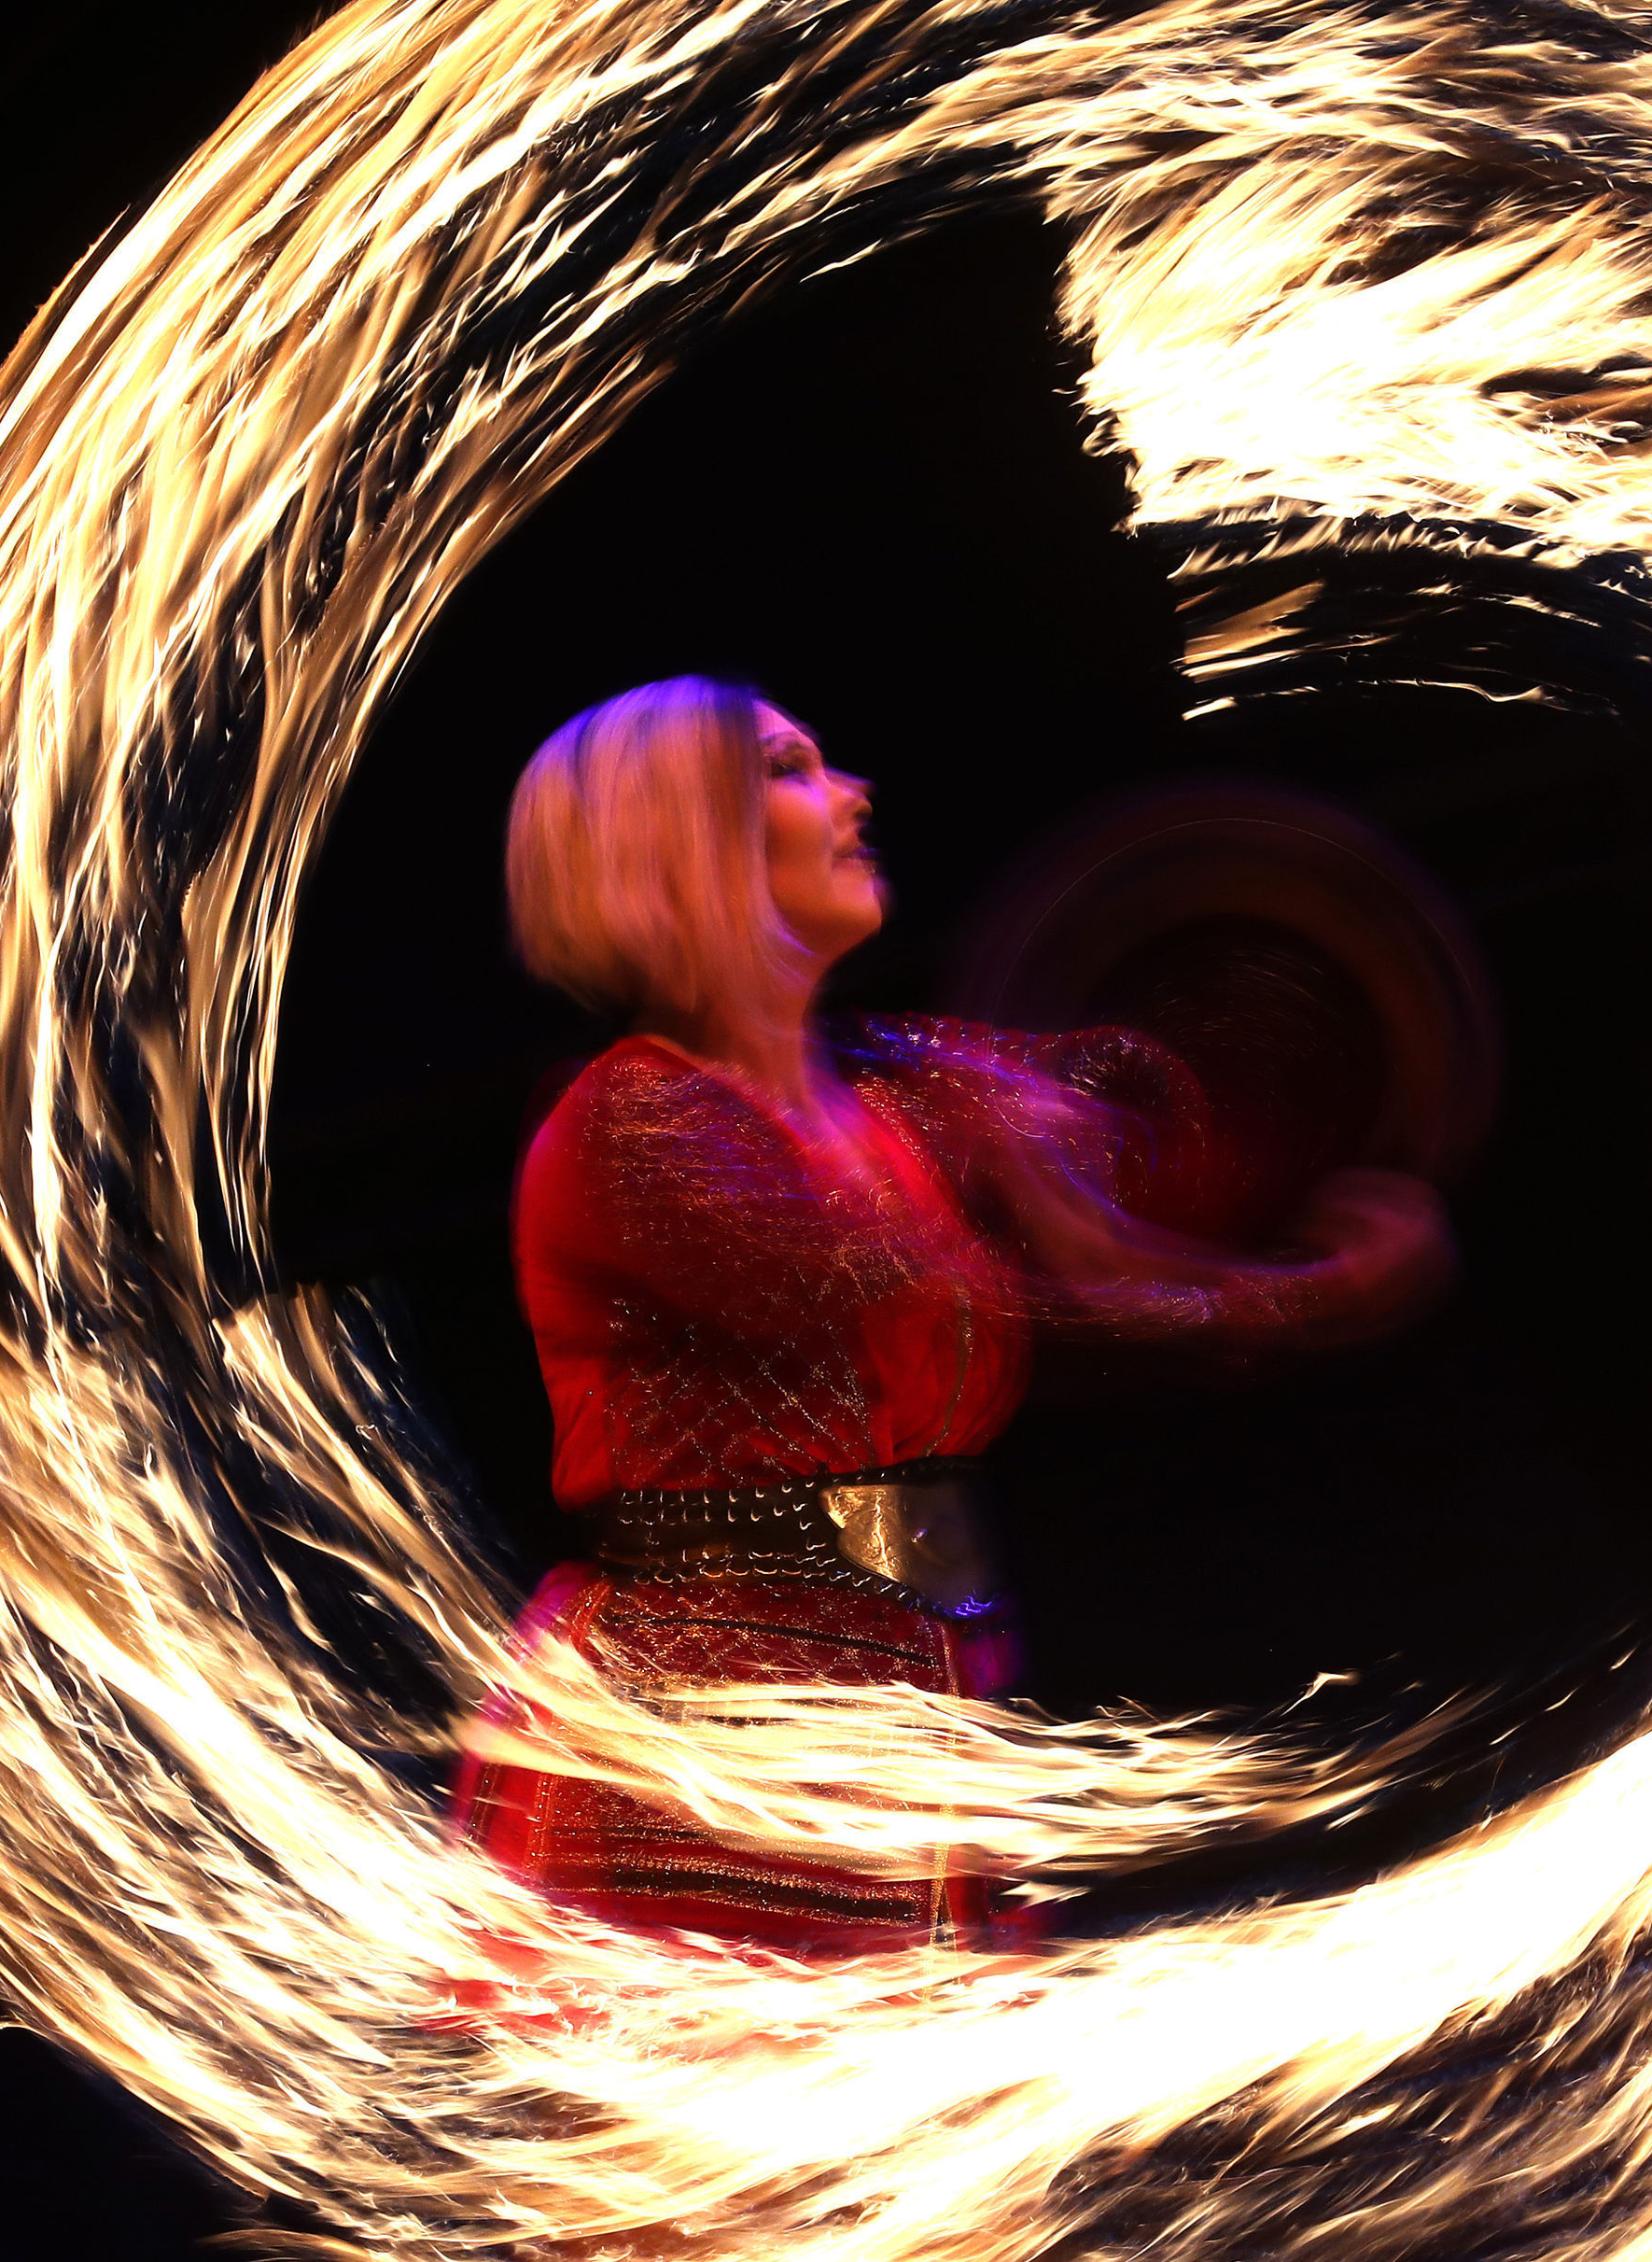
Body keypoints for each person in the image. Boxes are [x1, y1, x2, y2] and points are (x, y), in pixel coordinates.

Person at [451, 675, 1449, 1961]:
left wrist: (1201, 1169)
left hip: (908, 1722)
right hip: (707, 1752)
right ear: (674, 838)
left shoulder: (880, 1099)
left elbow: (1108, 1145)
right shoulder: (633, 1124)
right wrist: (1267, 1293)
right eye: (790, 767)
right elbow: (913, 1277)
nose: (856, 791)